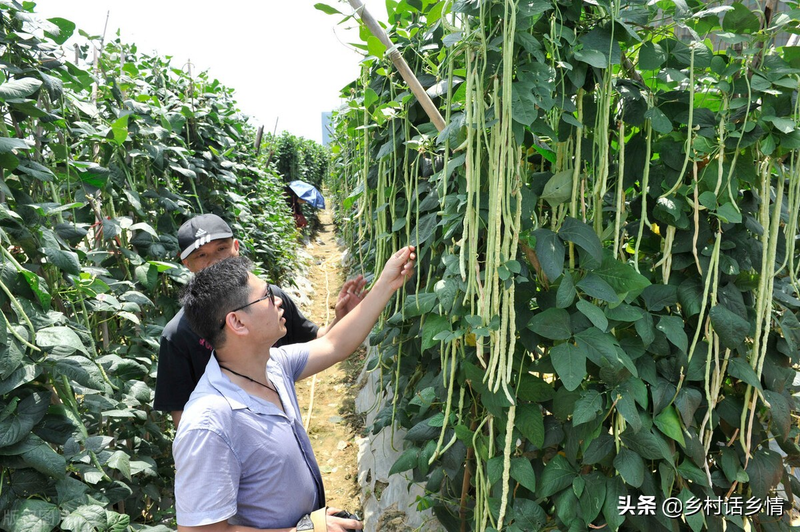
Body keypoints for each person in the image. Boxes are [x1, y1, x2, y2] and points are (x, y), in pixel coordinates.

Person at [173, 246, 416, 531]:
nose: (278, 301)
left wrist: (388, 282)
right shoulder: (209, 422)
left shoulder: (273, 364)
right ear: (237, 322)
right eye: (266, 296)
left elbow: (334, 344)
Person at [153, 214, 367, 427]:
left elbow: (322, 342)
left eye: (221, 249)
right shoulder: (178, 335)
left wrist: (341, 319)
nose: (215, 262)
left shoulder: (270, 301)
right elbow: (182, 416)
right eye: (201, 255)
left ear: (236, 247)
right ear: (186, 263)